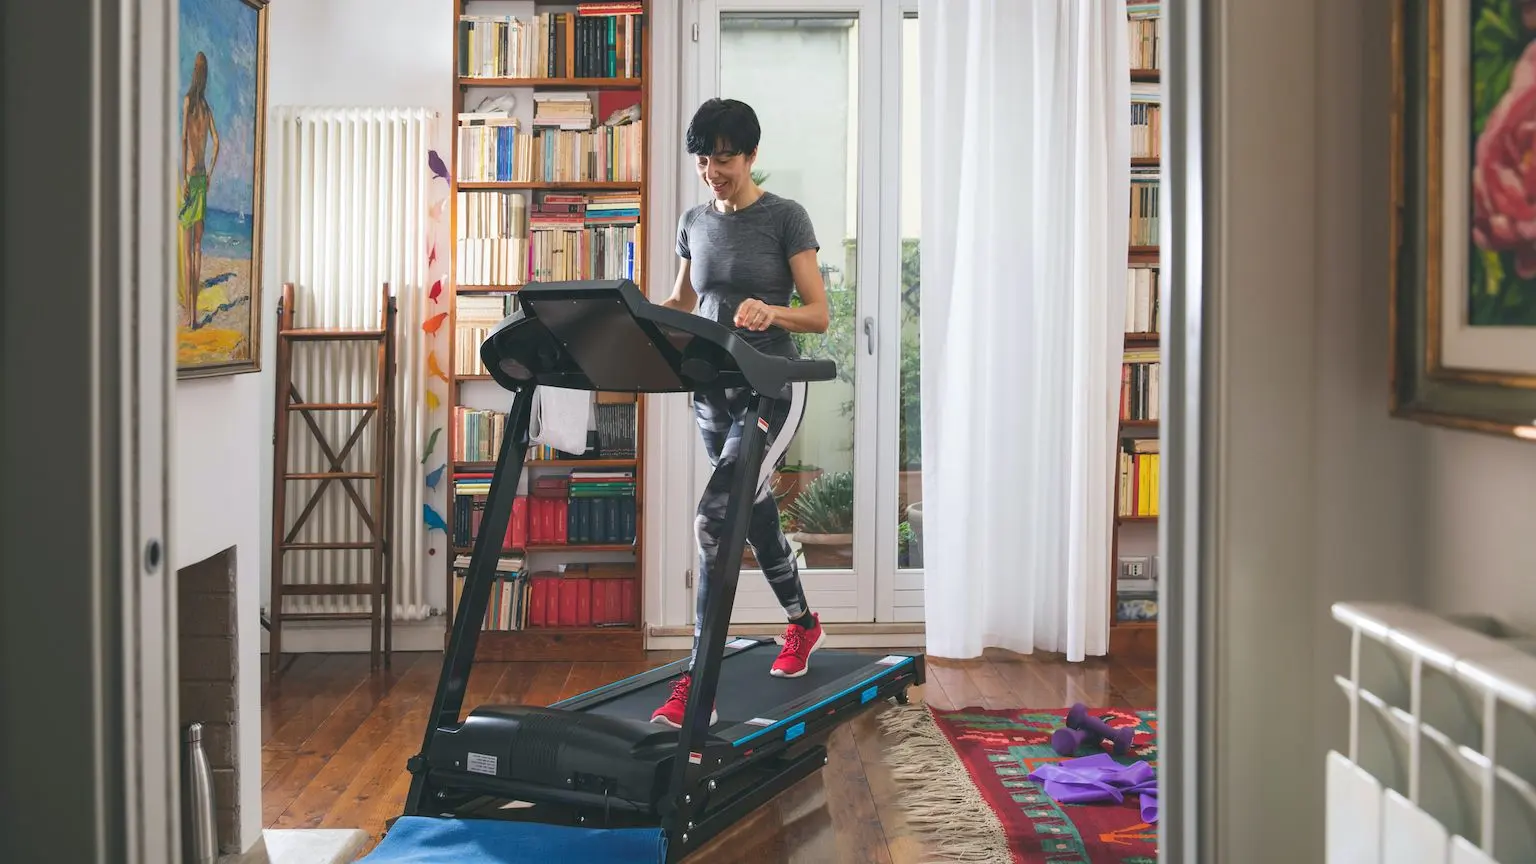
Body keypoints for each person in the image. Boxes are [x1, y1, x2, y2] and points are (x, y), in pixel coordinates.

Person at [650, 98, 832, 728]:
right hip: (712, 392)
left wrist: (771, 312)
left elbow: (818, 312)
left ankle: (696, 682)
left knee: (713, 518)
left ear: (752, 156)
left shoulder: (785, 218)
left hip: (771, 390)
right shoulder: (692, 221)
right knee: (751, 519)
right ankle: (804, 625)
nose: (711, 170)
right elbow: (680, 300)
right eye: (703, 158)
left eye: (723, 158)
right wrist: (644, 326)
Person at [179, 51, 220, 329]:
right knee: (197, 248)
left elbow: (183, 138)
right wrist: (211, 175)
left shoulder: (188, 104)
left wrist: (183, 176)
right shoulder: (206, 109)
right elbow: (217, 143)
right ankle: (195, 317)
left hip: (190, 179)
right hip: (203, 179)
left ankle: (189, 315)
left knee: (187, 249)